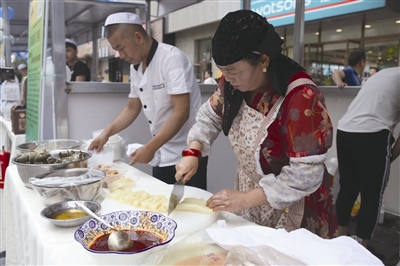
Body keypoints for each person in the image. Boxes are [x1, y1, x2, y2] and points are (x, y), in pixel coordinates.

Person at [175, 10, 337, 238]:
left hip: (294, 203)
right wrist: (193, 150)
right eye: (224, 71)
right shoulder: (232, 83)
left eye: (233, 71)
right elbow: (210, 116)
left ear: (263, 60)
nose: (227, 78)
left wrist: (244, 199)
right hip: (250, 195)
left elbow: (304, 175)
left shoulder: (301, 96)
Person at [88, 12, 208, 190]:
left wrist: (150, 147)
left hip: (187, 154)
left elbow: (181, 112)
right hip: (161, 151)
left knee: (187, 209)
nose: (120, 55)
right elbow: (131, 108)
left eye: (121, 48)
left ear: (138, 37)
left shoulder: (171, 58)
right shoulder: (136, 66)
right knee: (160, 206)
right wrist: (106, 134)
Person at [335, 67, 400, 248]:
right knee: (372, 196)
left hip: (345, 131)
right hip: (373, 134)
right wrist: (387, 159)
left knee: (348, 188)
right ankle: (362, 249)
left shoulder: (385, 72)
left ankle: (339, 238)